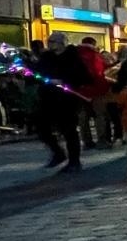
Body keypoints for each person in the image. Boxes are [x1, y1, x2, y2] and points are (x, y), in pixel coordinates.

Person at [33, 34, 88, 172]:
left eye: (52, 42)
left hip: (67, 99)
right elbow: (37, 73)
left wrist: (64, 81)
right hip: (47, 97)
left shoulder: (73, 57)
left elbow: (84, 77)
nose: (49, 44)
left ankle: (74, 161)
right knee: (42, 128)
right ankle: (58, 153)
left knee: (69, 130)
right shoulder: (46, 58)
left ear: (62, 43)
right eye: (49, 41)